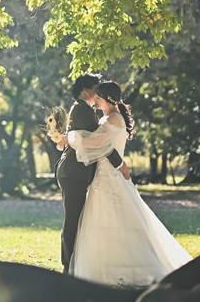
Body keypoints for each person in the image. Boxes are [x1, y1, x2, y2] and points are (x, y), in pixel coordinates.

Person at [63, 81, 192, 286]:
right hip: (103, 177)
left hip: (109, 178)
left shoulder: (113, 118)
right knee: (104, 222)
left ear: (106, 98)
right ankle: (108, 267)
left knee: (120, 221)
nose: (95, 100)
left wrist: (70, 137)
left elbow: (97, 143)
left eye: (98, 97)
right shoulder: (108, 117)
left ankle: (131, 266)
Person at [54, 73, 131, 274]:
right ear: (87, 90)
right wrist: (120, 165)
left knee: (77, 219)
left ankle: (72, 264)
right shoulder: (83, 110)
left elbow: (98, 141)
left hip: (76, 172)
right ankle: (68, 266)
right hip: (74, 173)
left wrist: (65, 139)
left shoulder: (85, 109)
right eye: (97, 89)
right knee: (72, 219)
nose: (98, 94)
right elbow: (99, 144)